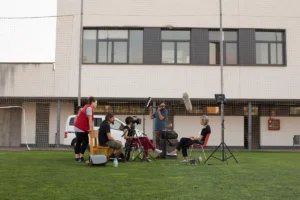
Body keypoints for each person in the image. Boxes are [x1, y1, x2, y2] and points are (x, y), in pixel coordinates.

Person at [74, 96, 97, 162]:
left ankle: (77, 157)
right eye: (95, 103)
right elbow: (90, 120)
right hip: (81, 128)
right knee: (85, 142)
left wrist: (92, 128)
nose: (96, 104)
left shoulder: (86, 106)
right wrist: (90, 129)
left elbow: (91, 120)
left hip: (77, 127)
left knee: (78, 142)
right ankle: (81, 157)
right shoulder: (89, 108)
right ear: (92, 102)